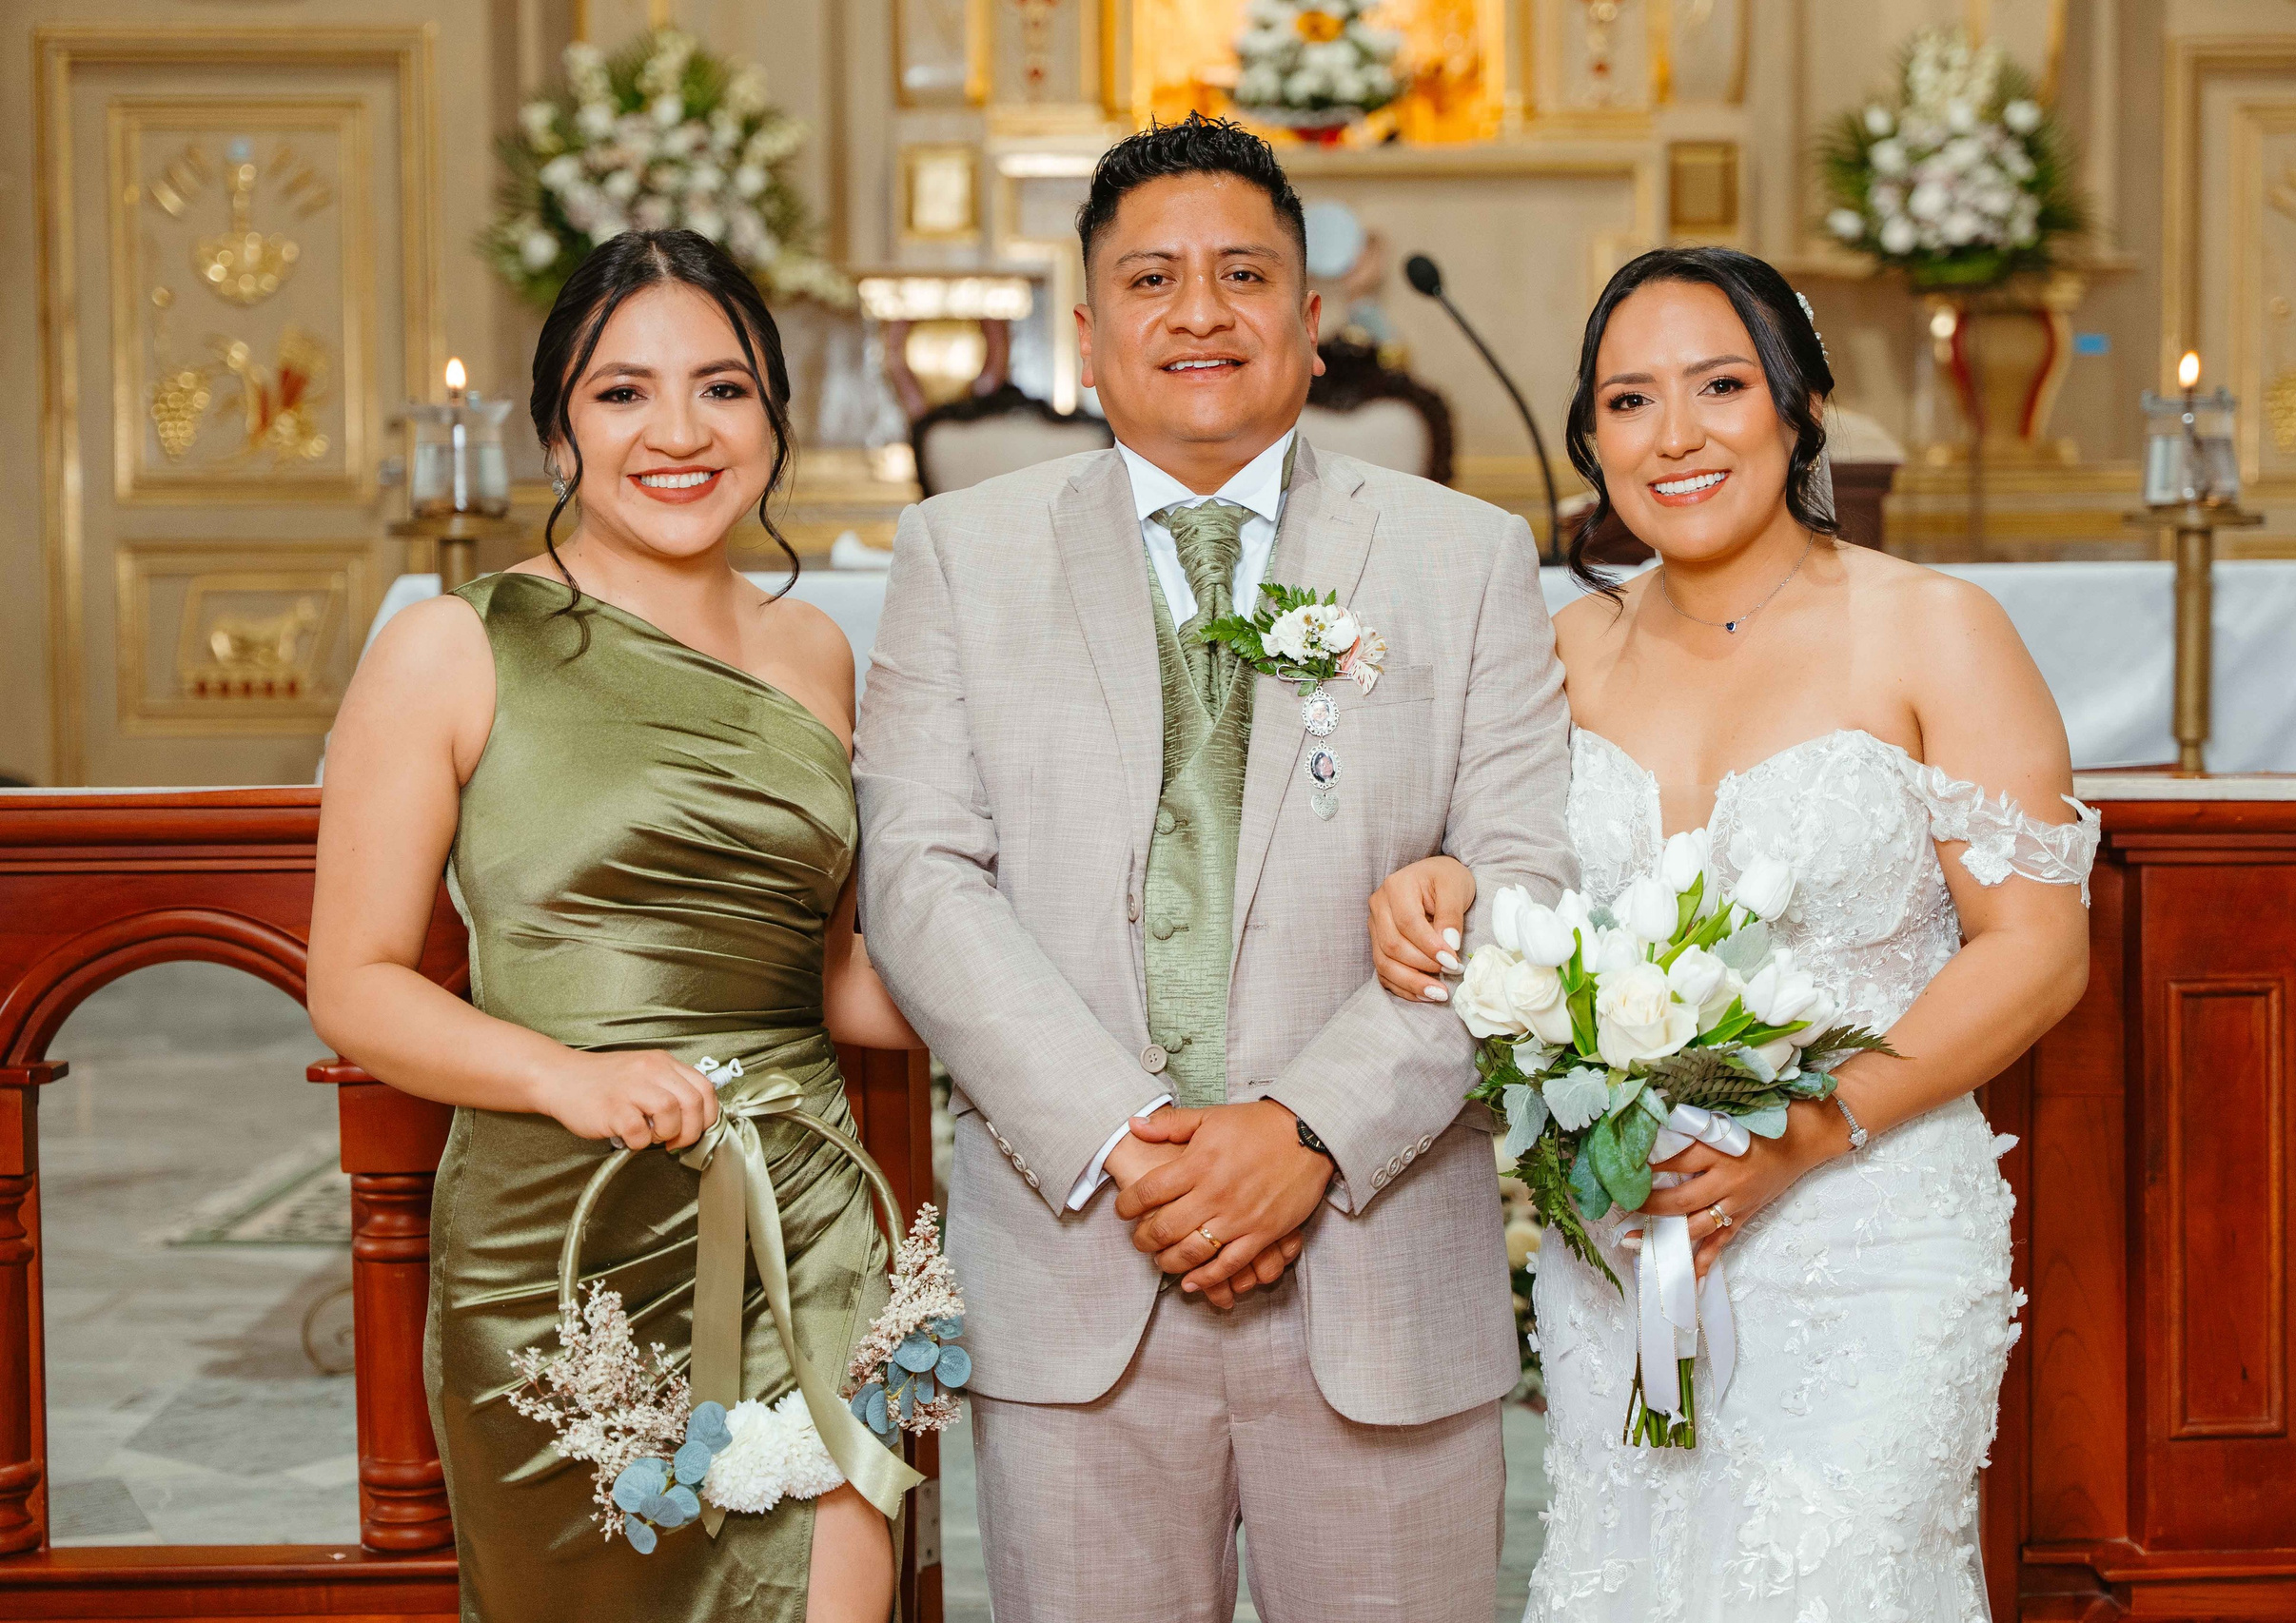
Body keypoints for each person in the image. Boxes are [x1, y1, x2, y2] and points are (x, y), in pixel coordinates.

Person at [852, 113, 1575, 1622]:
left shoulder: (1465, 555)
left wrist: (1307, 1128)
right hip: (1080, 1252)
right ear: (1088, 329)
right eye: (1153, 279)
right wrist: (1132, 1138)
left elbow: (1527, 882)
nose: (1200, 313)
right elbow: (921, 878)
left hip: (1375, 1254)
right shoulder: (958, 556)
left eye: (1245, 274)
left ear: (1312, 324)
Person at [1367, 246, 2098, 1620]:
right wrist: (1436, 892)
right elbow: (1491, 880)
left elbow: (2035, 947)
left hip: (1868, 1224)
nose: (1677, 435)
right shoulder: (1558, 652)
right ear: (1591, 437)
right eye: (1630, 401)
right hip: (1632, 1236)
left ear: (1801, 406)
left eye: (1721, 386)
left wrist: (1812, 1128)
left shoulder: (1937, 632)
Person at [306, 230, 915, 1623]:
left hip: (797, 1212)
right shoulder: (455, 645)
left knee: (835, 1574)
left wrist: (1052, 998)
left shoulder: (817, 652)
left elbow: (838, 976)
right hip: (554, 1240)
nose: (681, 433)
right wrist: (566, 1077)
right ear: (555, 429)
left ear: (774, 413)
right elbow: (353, 981)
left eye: (724, 387)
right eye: (623, 393)